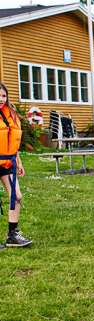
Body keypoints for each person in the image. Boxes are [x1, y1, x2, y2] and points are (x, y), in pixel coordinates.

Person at [0, 82, 32, 248]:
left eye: (3, 95)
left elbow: (13, 141)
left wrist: (18, 161)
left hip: (7, 162)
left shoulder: (10, 114)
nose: (1, 99)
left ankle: (12, 235)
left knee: (17, 196)